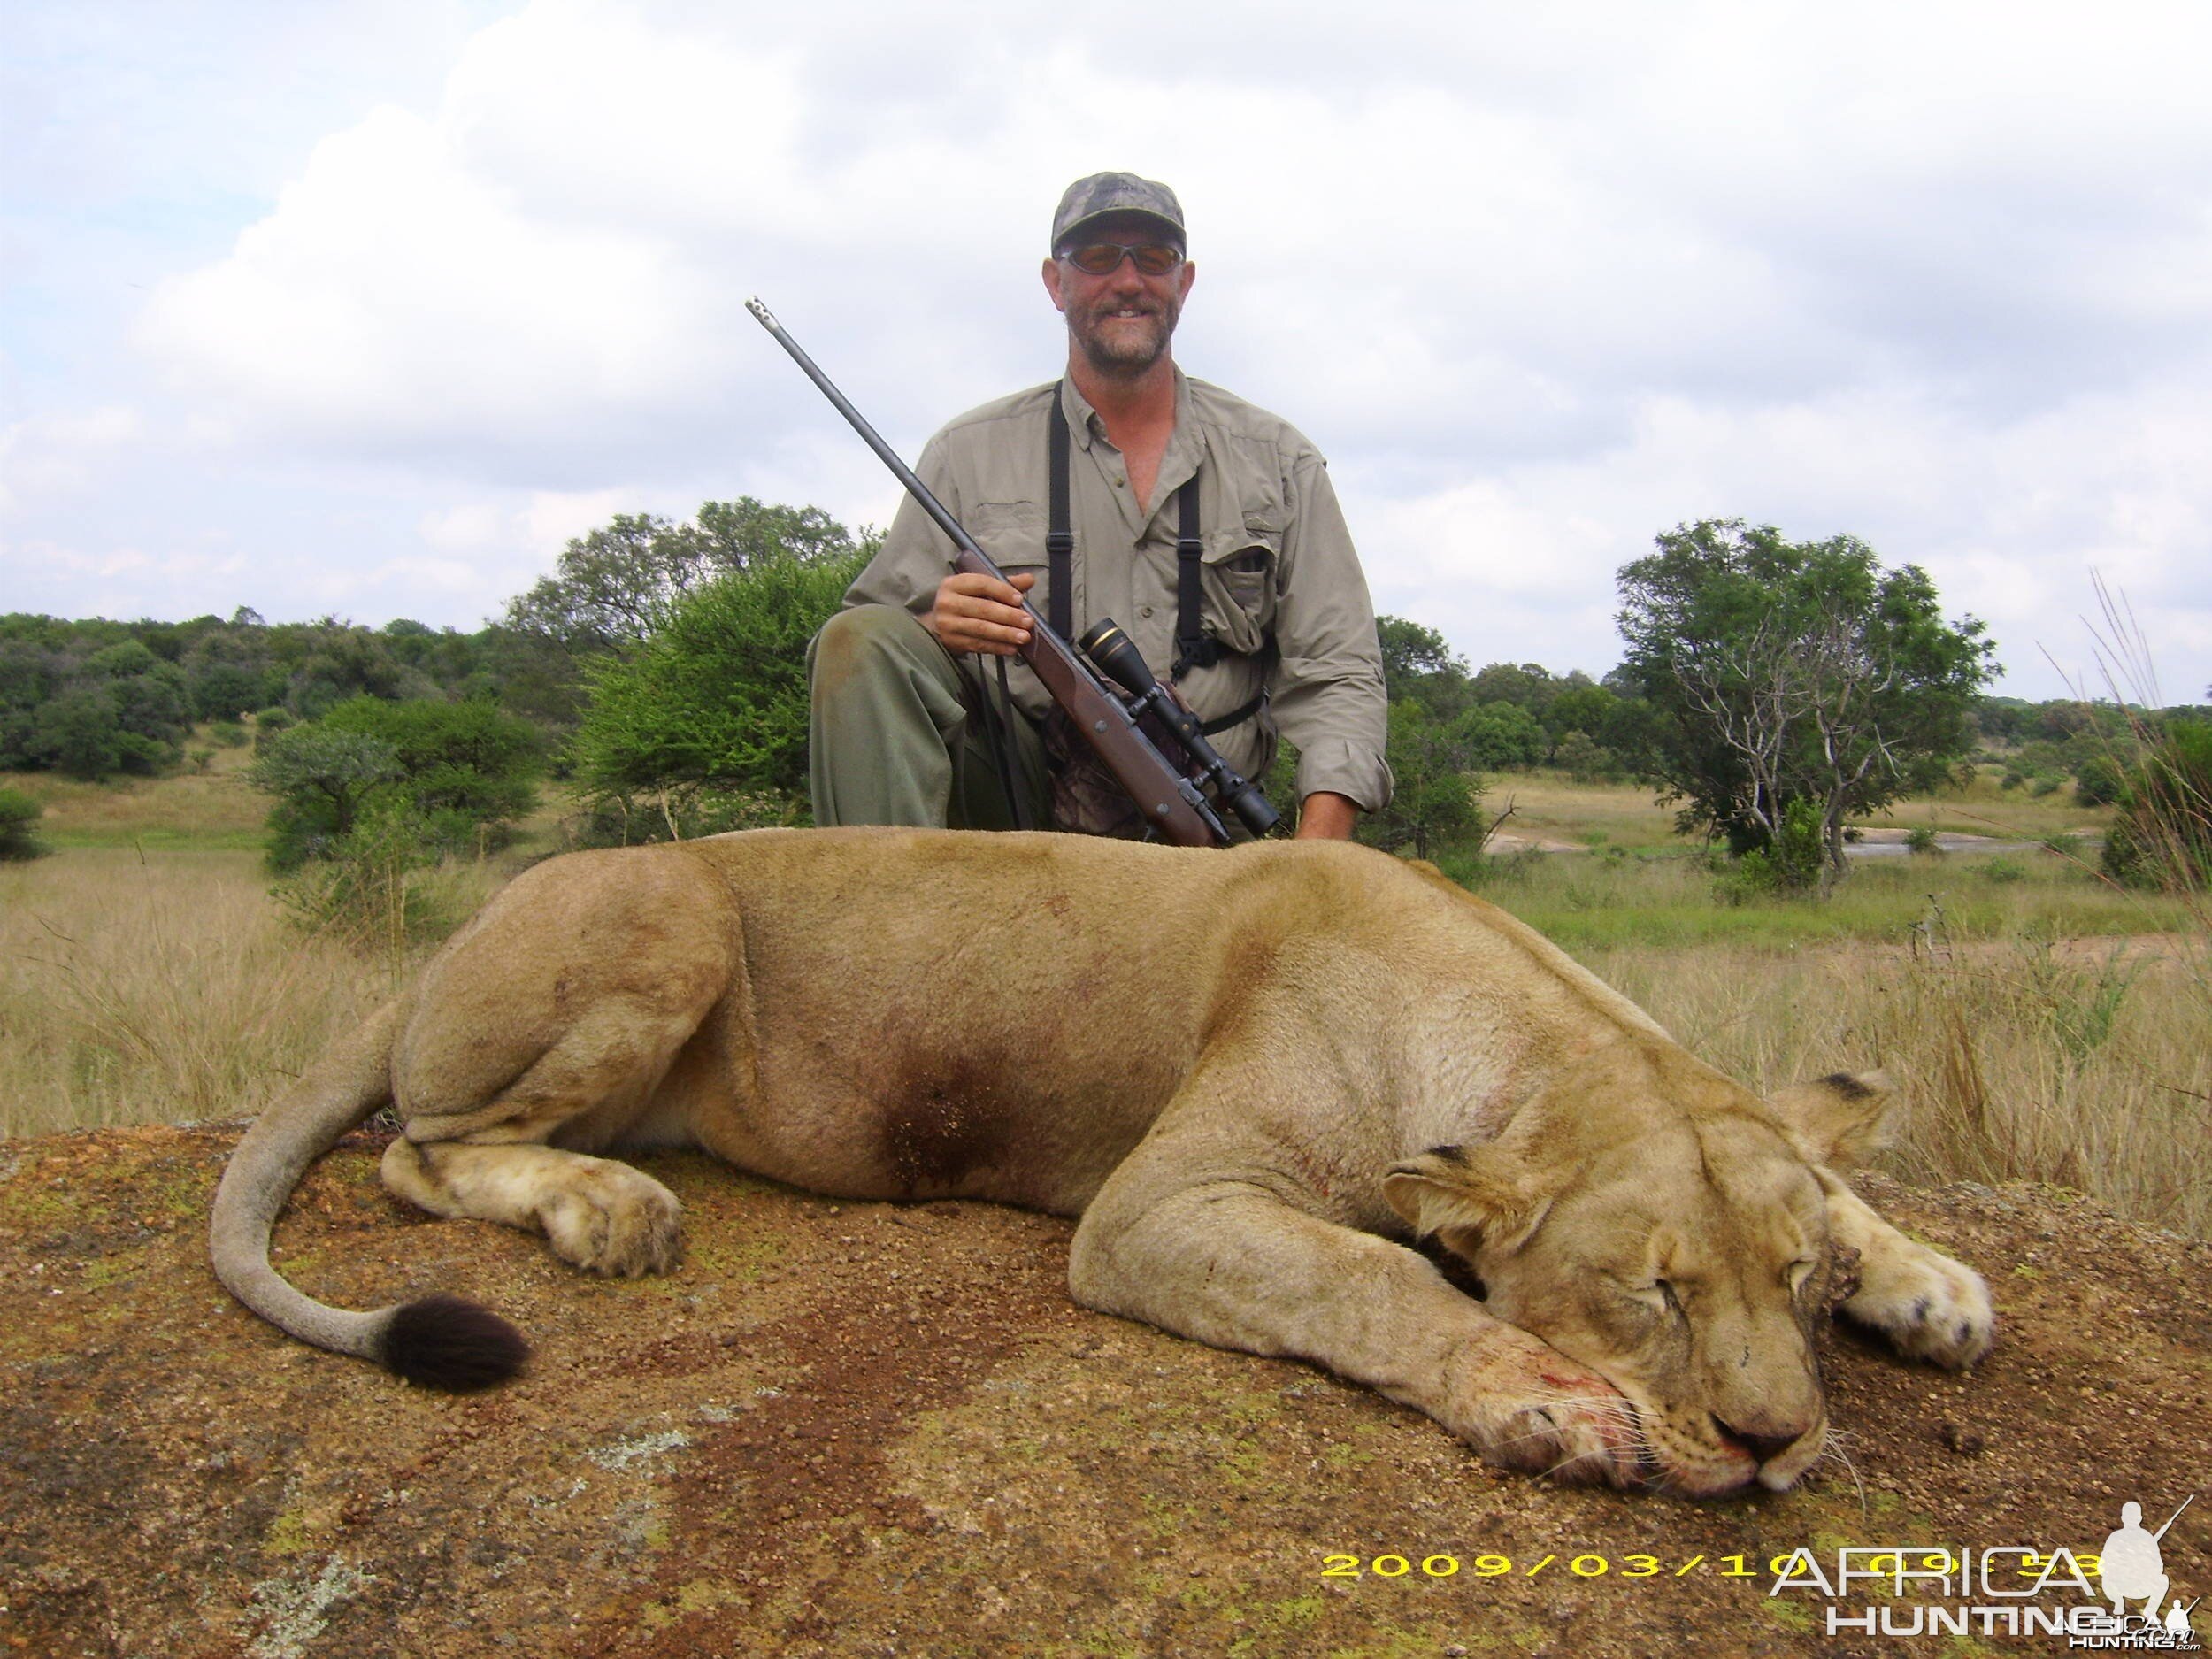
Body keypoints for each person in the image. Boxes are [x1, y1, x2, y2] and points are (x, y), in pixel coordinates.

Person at [807, 170, 1391, 841]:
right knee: (859, 640)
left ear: (1185, 281)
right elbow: (868, 643)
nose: (1127, 280)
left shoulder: (1280, 460)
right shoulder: (965, 454)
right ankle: (894, 927)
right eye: (1096, 258)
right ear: (1057, 284)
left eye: (1153, 258)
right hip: (1024, 806)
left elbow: (1339, 670)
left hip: (1209, 813)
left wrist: (1312, 859)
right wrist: (935, 621)